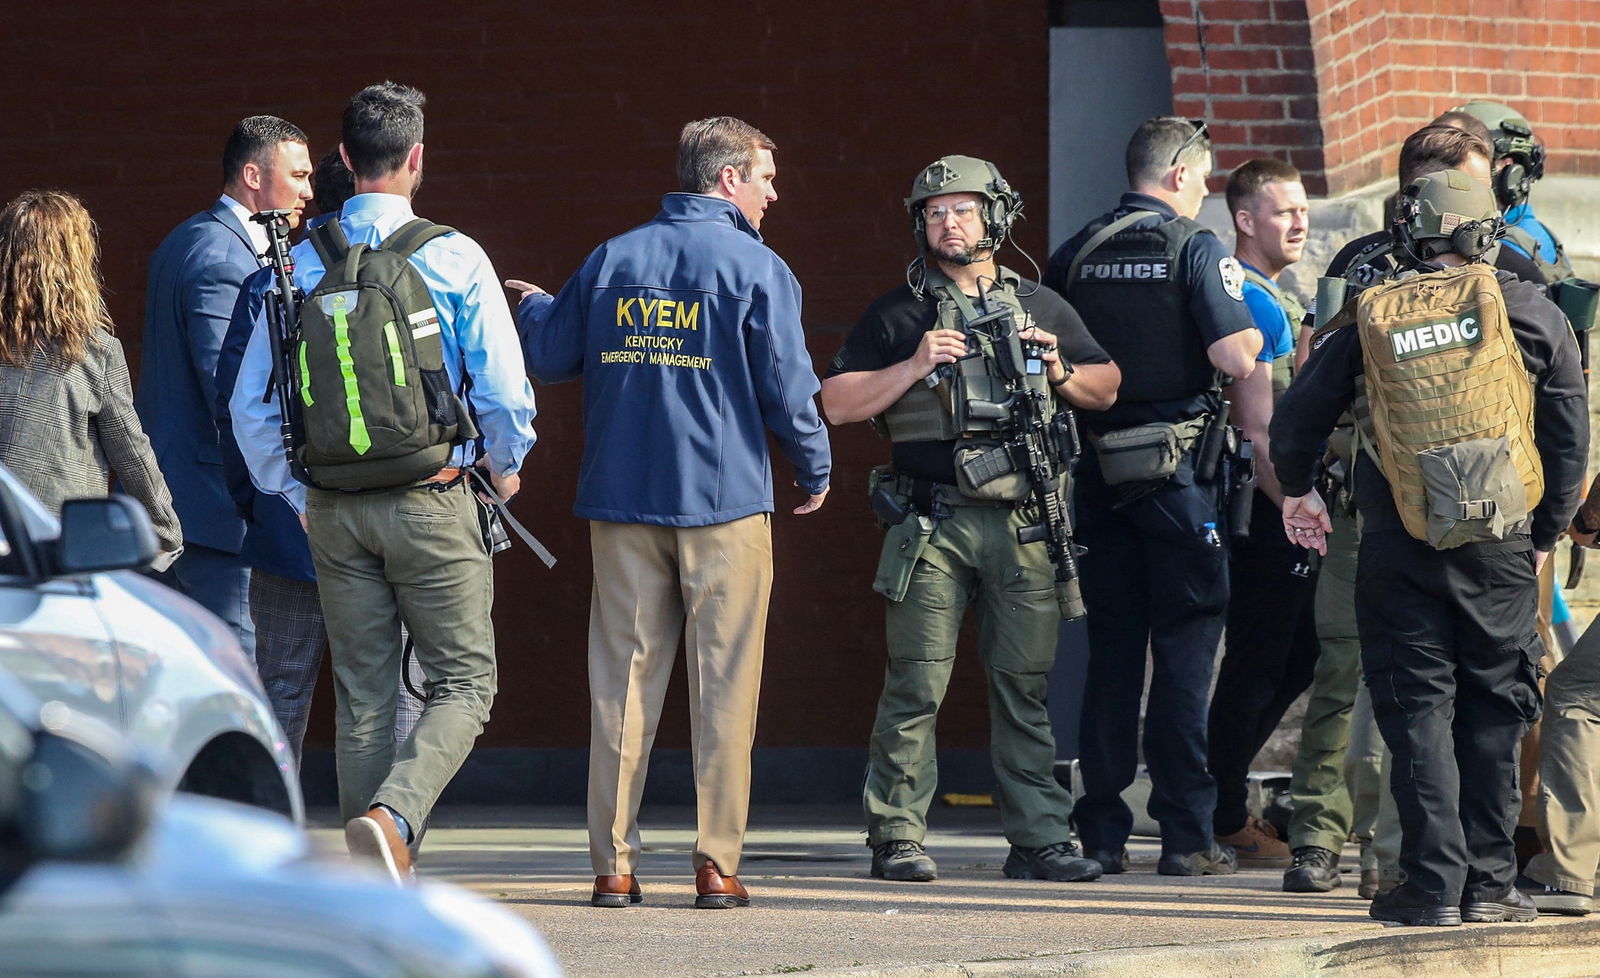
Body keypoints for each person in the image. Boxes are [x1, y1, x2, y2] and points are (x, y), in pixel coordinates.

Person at [512, 116, 830, 910]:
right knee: (724, 689)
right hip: (723, 507)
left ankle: (613, 867)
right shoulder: (758, 267)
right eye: (764, 176)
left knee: (619, 686)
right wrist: (816, 465)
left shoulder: (613, 257)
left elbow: (551, 357)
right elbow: (789, 392)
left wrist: (537, 307)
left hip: (621, 506)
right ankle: (716, 865)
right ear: (727, 180)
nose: (773, 192)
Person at [234, 82, 536, 884]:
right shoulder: (455, 255)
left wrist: (297, 495)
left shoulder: (295, 263)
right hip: (433, 497)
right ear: (417, 159)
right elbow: (506, 394)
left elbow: (252, 406)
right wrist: (503, 470)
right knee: (466, 683)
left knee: (363, 697)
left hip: (333, 509)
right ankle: (393, 817)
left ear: (340, 159)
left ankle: (373, 889)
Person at [1270, 168, 1587, 926]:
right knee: (1493, 714)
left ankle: (1430, 886)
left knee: (1417, 714)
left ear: (1412, 234)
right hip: (1502, 547)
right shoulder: (1533, 311)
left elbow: (1295, 427)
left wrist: (1301, 492)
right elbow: (1570, 442)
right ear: (1486, 232)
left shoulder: (1369, 315)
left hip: (1398, 546)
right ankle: (1491, 885)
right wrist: (1541, 539)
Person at [820, 156, 1119, 885]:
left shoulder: (1042, 306)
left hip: (1023, 526)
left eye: (962, 210)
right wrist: (916, 364)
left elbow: (1106, 387)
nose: (948, 224)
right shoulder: (899, 314)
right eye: (933, 212)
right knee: (916, 683)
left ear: (995, 217)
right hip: (933, 524)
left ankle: (1041, 838)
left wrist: (1057, 372)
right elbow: (834, 402)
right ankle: (896, 834)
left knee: (1025, 684)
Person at [1043, 117, 1261, 877]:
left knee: (1110, 655)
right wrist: (1260, 334)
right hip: (1179, 482)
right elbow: (1234, 355)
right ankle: (1184, 834)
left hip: (1097, 480)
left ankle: (1100, 831)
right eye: (1202, 179)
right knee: (1185, 655)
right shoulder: (1194, 248)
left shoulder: (1077, 250)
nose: (1203, 193)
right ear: (1176, 176)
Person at [137, 115, 314, 657]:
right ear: (253, 176)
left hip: (190, 505)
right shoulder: (223, 258)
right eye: (299, 175)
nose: (308, 191)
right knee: (239, 680)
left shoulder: (193, 236)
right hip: (214, 514)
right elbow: (234, 393)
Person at [1205, 158, 1316, 869]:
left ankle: (1223, 801)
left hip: (1272, 505)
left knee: (1296, 653)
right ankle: (1222, 813)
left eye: (1303, 209)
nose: (1299, 223)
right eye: (1283, 212)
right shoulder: (1249, 297)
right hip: (1262, 506)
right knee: (1258, 658)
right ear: (1245, 220)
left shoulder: (1276, 293)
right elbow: (1258, 430)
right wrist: (1298, 509)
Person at [0, 190, 180, 551]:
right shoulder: (92, 351)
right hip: (58, 550)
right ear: (76, 262)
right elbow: (131, 453)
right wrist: (165, 534)